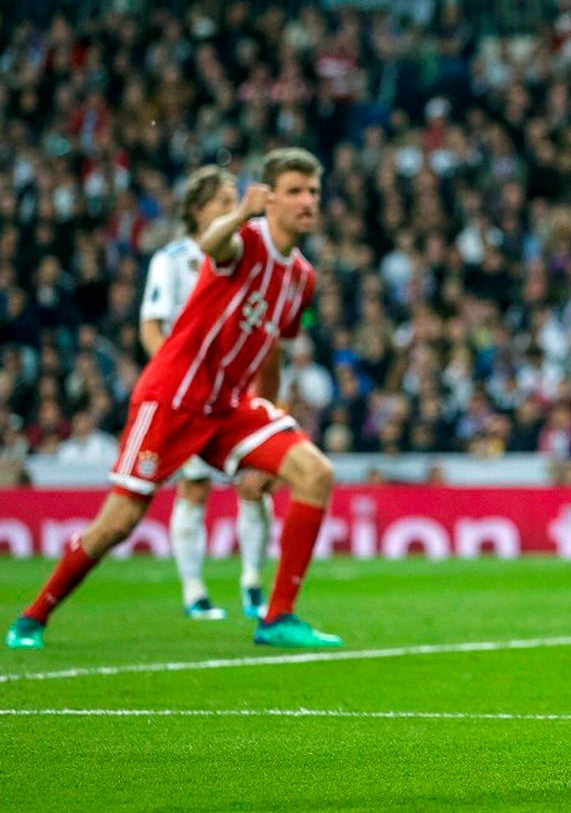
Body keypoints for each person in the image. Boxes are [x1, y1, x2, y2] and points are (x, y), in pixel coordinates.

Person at [8, 148, 342, 651]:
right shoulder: (243, 241)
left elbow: (271, 348)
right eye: (295, 191)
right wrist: (240, 213)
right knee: (119, 523)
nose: (308, 201)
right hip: (172, 399)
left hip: (229, 407)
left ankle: (278, 617)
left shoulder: (303, 277)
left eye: (313, 191)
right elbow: (210, 243)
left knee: (315, 473)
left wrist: (271, 429)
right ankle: (33, 616)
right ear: (268, 198)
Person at [140, 165, 275, 621]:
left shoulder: (245, 256)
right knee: (194, 487)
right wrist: (172, 377)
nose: (233, 206)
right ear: (198, 210)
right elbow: (151, 324)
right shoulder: (172, 259)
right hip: (191, 393)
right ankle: (195, 591)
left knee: (255, 483)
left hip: (235, 391)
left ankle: (254, 582)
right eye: (223, 201)